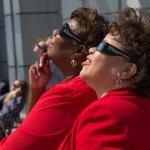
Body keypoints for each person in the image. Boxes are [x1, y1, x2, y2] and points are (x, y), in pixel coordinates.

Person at [0, 7, 109, 150]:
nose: (55, 32)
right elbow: (27, 132)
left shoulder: (68, 94)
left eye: (64, 30)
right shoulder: (87, 86)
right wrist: (36, 89)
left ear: (79, 51)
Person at [58, 7, 150, 150]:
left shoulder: (106, 113)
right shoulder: (141, 109)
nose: (92, 49)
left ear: (127, 70)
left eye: (103, 46)